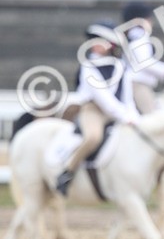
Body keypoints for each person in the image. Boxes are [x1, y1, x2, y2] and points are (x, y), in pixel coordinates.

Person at [55, 21, 140, 196]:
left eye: (99, 40)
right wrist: (125, 117)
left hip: (117, 112)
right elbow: (104, 99)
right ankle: (67, 172)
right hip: (92, 110)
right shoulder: (89, 67)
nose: (94, 44)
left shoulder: (122, 67)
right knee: (93, 137)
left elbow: (127, 98)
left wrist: (134, 117)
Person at [120, 1, 164, 113]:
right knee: (152, 119)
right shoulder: (139, 34)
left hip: (134, 83)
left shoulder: (130, 35)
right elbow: (144, 62)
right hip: (138, 84)